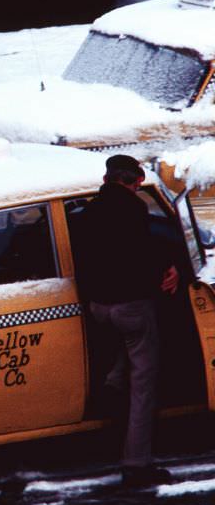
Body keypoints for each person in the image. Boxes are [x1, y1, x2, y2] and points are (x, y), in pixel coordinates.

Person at [76, 154, 179, 487]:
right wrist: (170, 269)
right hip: (130, 308)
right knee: (144, 383)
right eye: (137, 184)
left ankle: (113, 380)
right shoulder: (133, 209)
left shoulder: (88, 212)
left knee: (126, 343)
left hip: (99, 308)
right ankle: (137, 463)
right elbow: (142, 252)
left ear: (107, 180)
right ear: (133, 183)